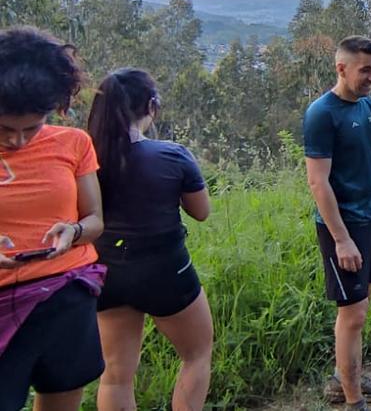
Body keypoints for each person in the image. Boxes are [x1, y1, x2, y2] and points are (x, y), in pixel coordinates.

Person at [87, 69, 213, 411]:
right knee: (197, 354)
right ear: (152, 107)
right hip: (165, 270)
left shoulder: (86, 160)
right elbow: (201, 212)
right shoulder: (172, 155)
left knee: (115, 375)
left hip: (106, 272)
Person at [0, 27, 105, 411]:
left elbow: (95, 220)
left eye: (33, 126)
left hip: (64, 297)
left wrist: (73, 231)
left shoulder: (74, 143)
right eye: (6, 128)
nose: (18, 141)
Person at [303, 36, 371, 410]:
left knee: (361, 305)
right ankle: (353, 398)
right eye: (365, 70)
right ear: (341, 68)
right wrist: (341, 239)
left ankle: (345, 378)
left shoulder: (367, 107)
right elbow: (317, 181)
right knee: (353, 312)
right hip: (343, 225)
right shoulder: (322, 114)